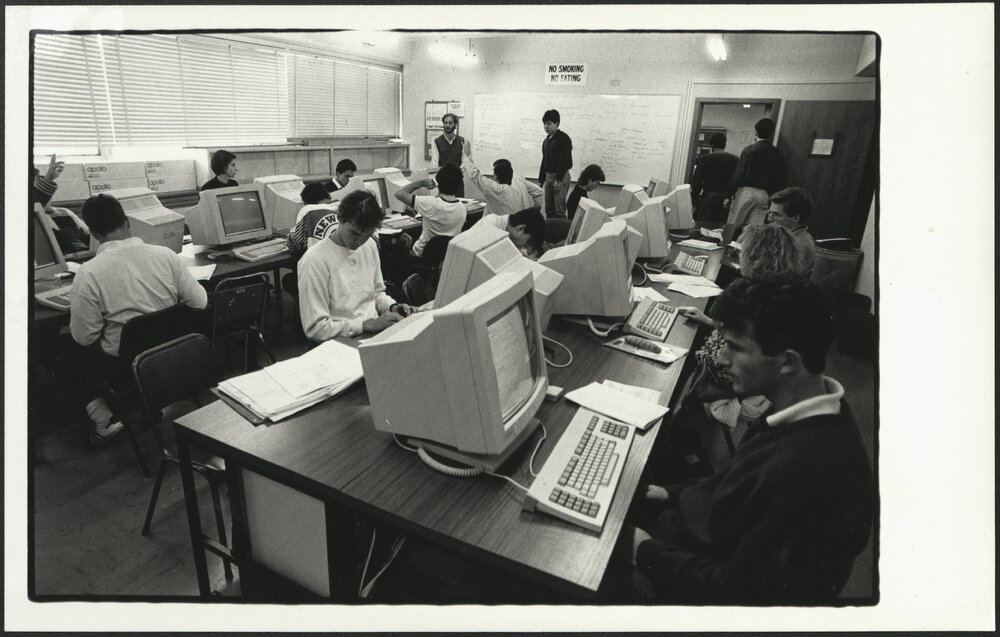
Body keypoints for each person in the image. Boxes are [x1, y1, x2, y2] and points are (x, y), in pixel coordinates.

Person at [624, 276, 873, 604]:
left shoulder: (808, 470)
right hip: (692, 536)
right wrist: (668, 493)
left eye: (737, 348)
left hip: (691, 578)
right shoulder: (813, 410)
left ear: (787, 361)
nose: (723, 358)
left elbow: (734, 591)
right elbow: (738, 488)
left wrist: (643, 550)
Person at [69, 194, 208, 445]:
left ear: (93, 232)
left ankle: (104, 419)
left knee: (64, 353)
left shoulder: (88, 273)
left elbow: (84, 337)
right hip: (173, 353)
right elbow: (200, 302)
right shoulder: (166, 256)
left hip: (126, 364)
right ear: (127, 221)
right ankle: (143, 404)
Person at [676, 223, 813, 446]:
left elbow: (726, 354)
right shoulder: (783, 292)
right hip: (765, 381)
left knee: (680, 361)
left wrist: (709, 336)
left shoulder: (749, 295)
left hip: (734, 380)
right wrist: (708, 321)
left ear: (754, 258)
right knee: (693, 340)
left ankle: (676, 435)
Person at [297, 190, 415, 342]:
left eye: (366, 235)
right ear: (339, 218)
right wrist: (365, 325)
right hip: (341, 344)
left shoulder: (370, 245)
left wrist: (392, 307)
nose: (359, 242)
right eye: (355, 234)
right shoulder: (314, 260)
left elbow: (376, 294)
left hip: (373, 334)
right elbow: (316, 329)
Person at [394, 164, 466, 258]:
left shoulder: (431, 204)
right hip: (445, 256)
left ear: (438, 184)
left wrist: (422, 183)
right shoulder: (462, 208)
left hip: (419, 254)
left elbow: (399, 194)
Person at [727, 118, 785, 228]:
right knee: (755, 229)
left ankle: (727, 244)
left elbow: (738, 174)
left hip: (746, 192)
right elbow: (778, 178)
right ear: (771, 133)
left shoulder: (749, 150)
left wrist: (728, 194)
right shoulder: (777, 153)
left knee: (733, 225)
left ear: (756, 132)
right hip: (764, 194)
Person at [461, 139, 542, 217]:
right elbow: (540, 192)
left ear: (496, 176)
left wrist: (466, 156)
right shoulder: (516, 191)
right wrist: (532, 211)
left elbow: (475, 175)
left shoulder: (496, 190)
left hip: (496, 227)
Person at [765, 187, 818, 276]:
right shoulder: (783, 235)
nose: (769, 219)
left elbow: (784, 281)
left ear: (795, 218)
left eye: (776, 214)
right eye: (769, 212)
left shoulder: (801, 246)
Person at [689, 133, 738, 223]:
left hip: (709, 197)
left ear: (712, 145)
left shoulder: (705, 159)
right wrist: (729, 196)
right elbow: (736, 180)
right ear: (724, 145)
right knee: (721, 226)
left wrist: (694, 199)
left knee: (705, 225)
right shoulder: (735, 159)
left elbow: (697, 181)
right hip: (725, 199)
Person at [471, 206, 547, 260]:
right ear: (520, 228)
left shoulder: (501, 223)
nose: (524, 248)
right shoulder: (490, 234)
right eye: (527, 243)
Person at [287, 182, 339, 259]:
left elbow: (297, 244)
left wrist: (291, 234)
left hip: (319, 262)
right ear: (328, 195)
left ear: (306, 202)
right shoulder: (343, 206)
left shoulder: (308, 210)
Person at [537, 109, 573, 219]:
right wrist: (541, 180)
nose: (546, 127)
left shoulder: (564, 139)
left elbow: (565, 161)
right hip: (548, 177)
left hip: (560, 177)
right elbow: (544, 161)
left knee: (559, 210)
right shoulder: (546, 141)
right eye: (544, 124)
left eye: (549, 124)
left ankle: (560, 235)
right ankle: (550, 234)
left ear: (556, 123)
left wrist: (558, 180)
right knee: (549, 209)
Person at [431, 113, 466, 197]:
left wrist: (456, 175)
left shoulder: (462, 141)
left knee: (458, 204)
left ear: (455, 125)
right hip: (443, 181)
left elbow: (464, 162)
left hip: (457, 180)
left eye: (450, 123)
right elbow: (435, 163)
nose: (447, 125)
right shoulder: (437, 141)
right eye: (445, 123)